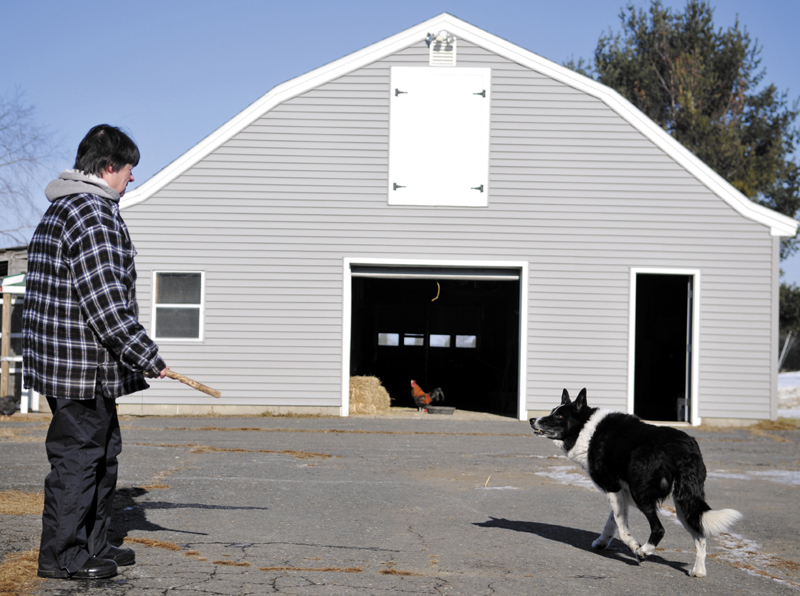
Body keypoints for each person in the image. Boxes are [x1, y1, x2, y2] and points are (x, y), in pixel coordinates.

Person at [22, 124, 167, 580]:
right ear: (108, 168)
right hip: (79, 368)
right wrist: (148, 355)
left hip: (83, 367)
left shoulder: (64, 208)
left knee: (103, 454)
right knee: (79, 460)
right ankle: (62, 556)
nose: (131, 179)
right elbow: (106, 303)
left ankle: (93, 542)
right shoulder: (93, 214)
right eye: (128, 170)